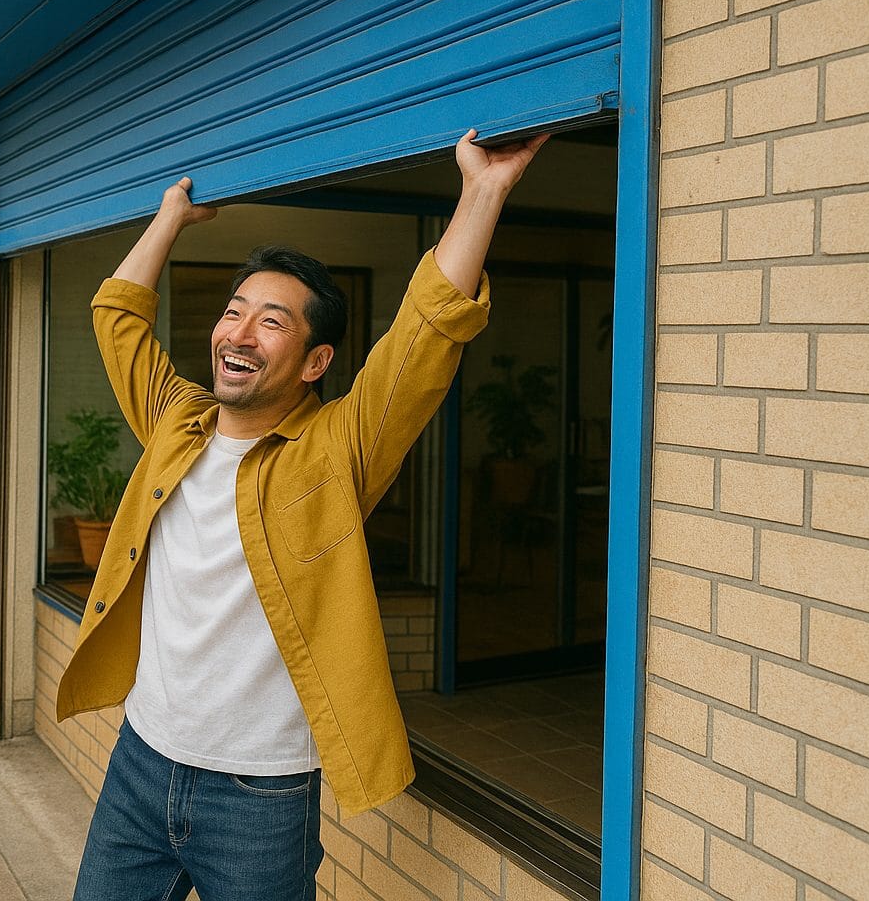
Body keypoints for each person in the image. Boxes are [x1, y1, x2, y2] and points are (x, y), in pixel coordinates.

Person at [61, 128, 549, 900]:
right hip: (142, 757)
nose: (238, 332)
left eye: (272, 321)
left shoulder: (336, 451)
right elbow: (118, 320)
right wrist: (169, 217)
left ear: (316, 362)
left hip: (259, 793)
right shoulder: (176, 422)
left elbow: (426, 335)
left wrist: (483, 192)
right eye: (233, 311)